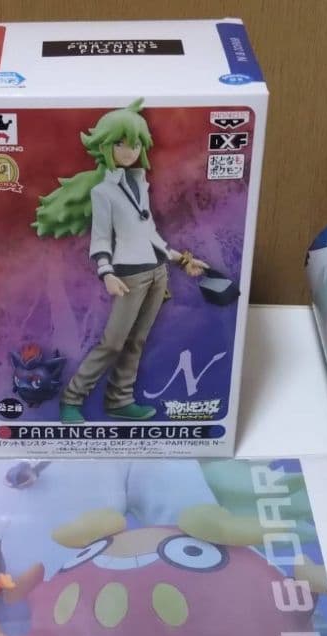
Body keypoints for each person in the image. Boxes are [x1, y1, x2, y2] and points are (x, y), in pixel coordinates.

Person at [33, 99, 206, 423]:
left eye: (136, 144)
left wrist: (179, 259)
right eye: (121, 144)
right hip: (129, 275)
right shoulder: (103, 192)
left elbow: (148, 230)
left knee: (136, 341)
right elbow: (101, 237)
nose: (129, 151)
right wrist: (106, 272)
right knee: (112, 342)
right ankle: (72, 399)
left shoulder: (139, 183)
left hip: (157, 272)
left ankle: (119, 400)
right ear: (105, 146)